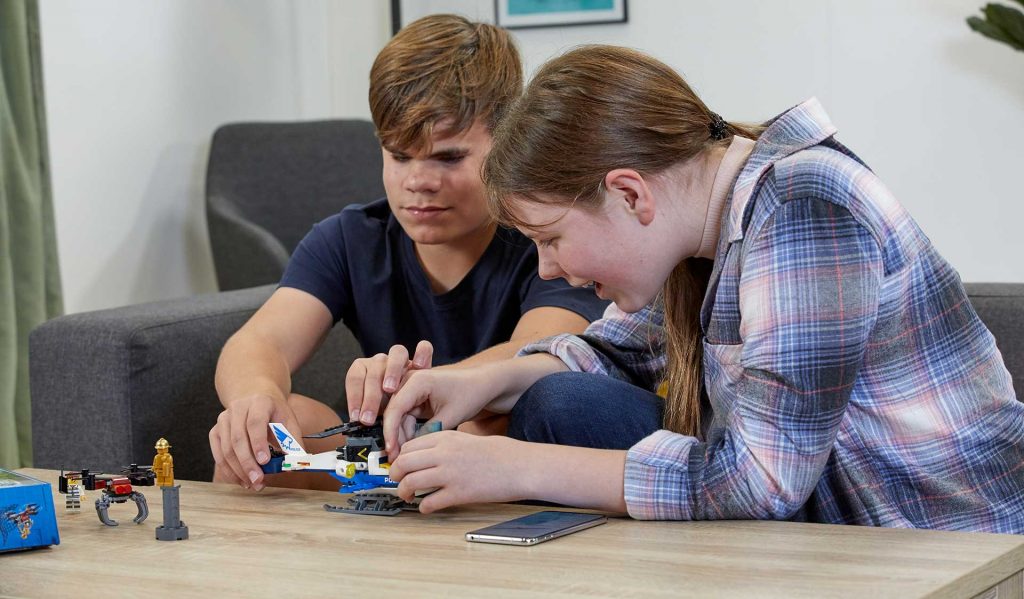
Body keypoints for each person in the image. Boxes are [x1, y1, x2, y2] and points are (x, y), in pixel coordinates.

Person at [381, 45, 1024, 532]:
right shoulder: (708, 236)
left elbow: (763, 484)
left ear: (629, 193)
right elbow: (616, 350)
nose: (549, 269)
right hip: (832, 528)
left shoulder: (806, 207)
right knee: (563, 398)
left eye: (550, 238)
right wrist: (476, 382)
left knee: (560, 420)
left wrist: (514, 465)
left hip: (946, 549)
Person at [208, 16, 608, 492]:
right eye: (399, 156)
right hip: (387, 446)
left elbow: (540, 354)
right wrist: (256, 398)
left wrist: (421, 386)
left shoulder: (549, 238)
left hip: (504, 451)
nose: (418, 181)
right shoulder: (349, 238)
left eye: (449, 157)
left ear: (508, 143)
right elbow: (257, 344)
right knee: (263, 433)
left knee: (495, 420)